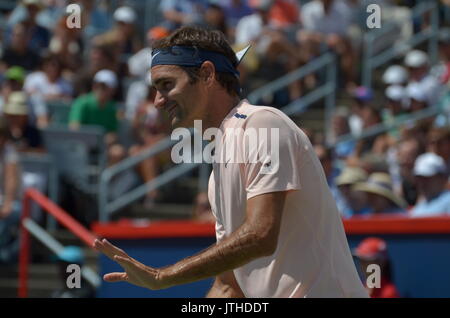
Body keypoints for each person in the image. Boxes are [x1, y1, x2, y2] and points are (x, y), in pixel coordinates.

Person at [94, 26, 368, 298]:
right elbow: (228, 286)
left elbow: (261, 235)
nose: (157, 101)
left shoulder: (262, 123)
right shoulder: (218, 169)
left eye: (167, 85)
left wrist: (161, 277)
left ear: (207, 74)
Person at [0, 116, 22, 264]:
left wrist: (7, 203)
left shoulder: (10, 152)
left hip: (9, 202)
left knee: (11, 212)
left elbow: (11, 180)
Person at [410, 152, 450, 217]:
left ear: (441, 178)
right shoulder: (420, 205)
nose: (422, 182)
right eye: (419, 178)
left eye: (427, 178)